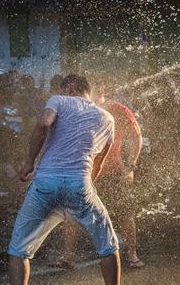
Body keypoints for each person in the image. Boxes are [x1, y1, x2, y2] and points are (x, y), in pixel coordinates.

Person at [0, 74, 142, 285]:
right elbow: (98, 162)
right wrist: (84, 187)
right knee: (108, 243)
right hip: (79, 183)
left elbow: (42, 126)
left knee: (18, 248)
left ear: (69, 88)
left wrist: (29, 163)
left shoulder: (58, 100)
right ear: (88, 92)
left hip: (45, 184)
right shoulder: (106, 118)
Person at [53, 82, 145, 270]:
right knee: (71, 215)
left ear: (101, 91)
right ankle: (68, 257)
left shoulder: (117, 109)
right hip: (83, 172)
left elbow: (137, 136)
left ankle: (132, 254)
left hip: (112, 172)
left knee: (124, 213)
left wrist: (130, 165)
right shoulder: (77, 110)